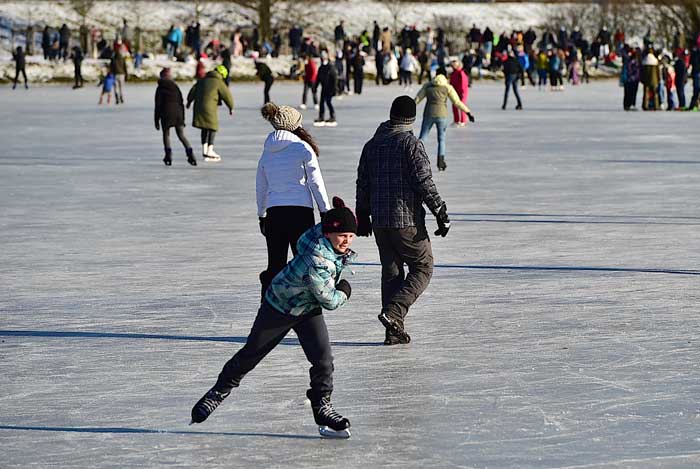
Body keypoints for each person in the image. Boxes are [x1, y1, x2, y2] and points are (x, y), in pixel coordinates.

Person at [190, 198, 357, 439]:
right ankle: (219, 392)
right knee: (252, 353)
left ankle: (321, 406)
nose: (346, 241)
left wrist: (339, 213)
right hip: (279, 306)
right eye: (342, 235)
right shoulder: (318, 261)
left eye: (350, 236)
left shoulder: (321, 236)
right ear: (330, 233)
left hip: (306, 308)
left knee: (323, 360)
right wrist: (345, 290)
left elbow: (327, 224)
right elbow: (330, 301)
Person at [355, 96, 450, 345]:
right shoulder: (410, 144)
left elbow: (362, 183)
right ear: (412, 118)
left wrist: (362, 214)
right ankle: (394, 312)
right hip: (406, 220)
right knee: (423, 267)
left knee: (392, 273)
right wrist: (440, 211)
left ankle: (393, 331)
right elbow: (423, 182)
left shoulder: (371, 145)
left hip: (380, 222)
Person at [256, 102, 332, 297]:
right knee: (304, 263)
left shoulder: (267, 151)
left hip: (274, 214)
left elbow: (261, 186)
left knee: (275, 265)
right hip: (300, 214)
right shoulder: (302, 148)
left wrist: (262, 214)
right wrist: (325, 211)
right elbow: (316, 182)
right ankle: (305, 310)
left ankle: (268, 308)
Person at [415, 72, 474, 171]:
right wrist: (468, 112)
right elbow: (457, 102)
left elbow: (417, 99)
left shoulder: (427, 86)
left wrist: (406, 110)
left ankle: (415, 158)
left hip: (428, 114)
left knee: (422, 138)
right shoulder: (448, 87)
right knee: (441, 139)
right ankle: (441, 161)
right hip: (442, 116)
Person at [186, 65, 234, 161]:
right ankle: (210, 150)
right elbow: (227, 95)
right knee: (212, 127)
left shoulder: (202, 79)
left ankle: (204, 150)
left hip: (198, 107)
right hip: (210, 107)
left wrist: (189, 102)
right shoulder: (218, 82)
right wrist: (231, 107)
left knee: (204, 127)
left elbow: (193, 91)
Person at [155, 68, 196, 167]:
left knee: (166, 134)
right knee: (181, 135)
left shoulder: (160, 88)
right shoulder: (175, 87)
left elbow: (158, 105)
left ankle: (168, 155)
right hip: (178, 113)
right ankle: (190, 154)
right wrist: (182, 118)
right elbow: (181, 102)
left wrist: (156, 120)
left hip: (166, 113)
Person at [314, 51, 338, 127]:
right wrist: (315, 87)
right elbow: (318, 78)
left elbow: (334, 78)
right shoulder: (321, 67)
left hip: (330, 88)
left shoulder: (331, 67)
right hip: (323, 88)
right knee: (321, 103)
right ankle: (321, 117)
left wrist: (335, 89)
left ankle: (332, 116)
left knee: (328, 102)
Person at [449, 59, 469, 126]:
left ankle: (463, 121)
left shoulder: (461, 73)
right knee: (454, 106)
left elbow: (463, 83)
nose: (452, 66)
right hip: (455, 92)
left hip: (461, 92)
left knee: (461, 106)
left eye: (454, 65)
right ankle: (456, 120)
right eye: (452, 65)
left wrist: (462, 93)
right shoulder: (453, 73)